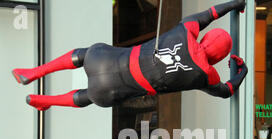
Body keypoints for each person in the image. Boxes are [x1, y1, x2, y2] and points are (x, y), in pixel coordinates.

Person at [12, 0, 247, 111]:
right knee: (88, 96)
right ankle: (45, 101)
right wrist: (242, 70)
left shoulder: (186, 31)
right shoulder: (206, 75)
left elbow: (210, 13)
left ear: (205, 38)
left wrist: (234, 4)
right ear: (218, 57)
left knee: (84, 54)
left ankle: (34, 72)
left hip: (105, 58)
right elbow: (227, 91)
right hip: (110, 91)